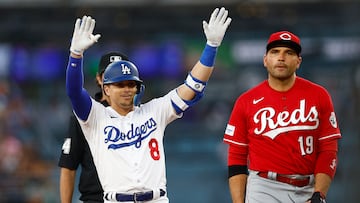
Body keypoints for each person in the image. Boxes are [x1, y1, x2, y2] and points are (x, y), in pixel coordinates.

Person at [65, 7, 231, 203]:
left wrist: (211, 46)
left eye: (131, 84)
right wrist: (76, 55)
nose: (127, 88)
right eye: (120, 84)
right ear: (106, 89)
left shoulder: (155, 110)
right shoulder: (95, 117)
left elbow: (193, 86)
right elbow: (75, 92)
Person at [223, 31, 342, 203]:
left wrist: (319, 194)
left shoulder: (319, 95)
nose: (281, 57)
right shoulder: (246, 101)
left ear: (298, 61)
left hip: (309, 186)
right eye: (275, 52)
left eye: (289, 53)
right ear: (265, 60)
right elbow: (236, 155)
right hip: (264, 187)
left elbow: (328, 148)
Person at [59, 52, 130, 203]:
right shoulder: (85, 114)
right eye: (109, 73)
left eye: (121, 73)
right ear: (99, 78)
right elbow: (68, 167)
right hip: (96, 199)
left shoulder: (139, 114)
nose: (115, 78)